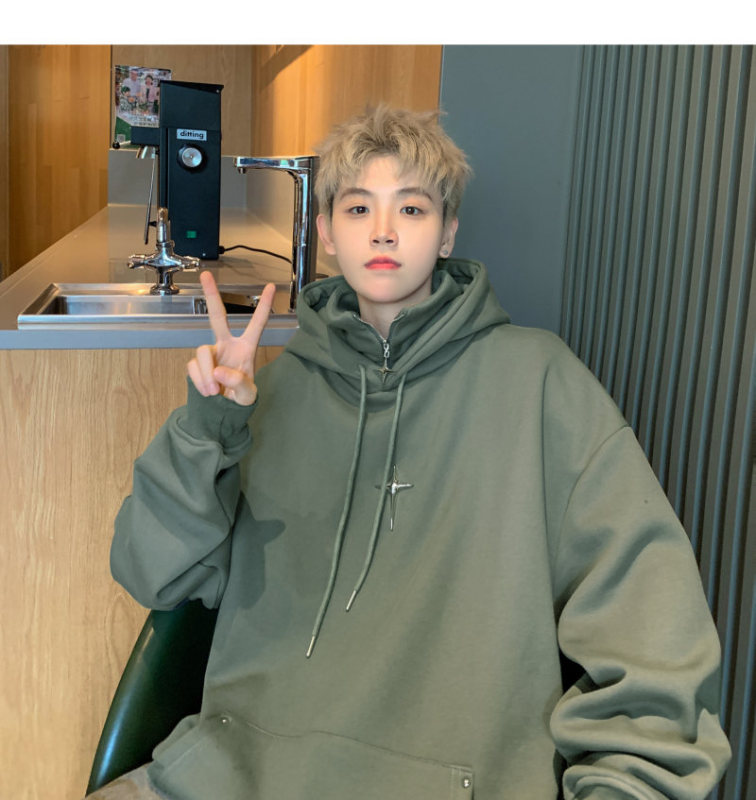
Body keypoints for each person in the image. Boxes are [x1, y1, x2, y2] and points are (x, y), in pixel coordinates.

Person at [93, 106, 730, 799]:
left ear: (448, 232)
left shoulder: (541, 386)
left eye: (413, 208)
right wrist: (209, 423)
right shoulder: (264, 398)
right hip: (231, 774)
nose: (384, 230)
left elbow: (652, 641)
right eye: (358, 207)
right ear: (326, 232)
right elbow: (148, 572)